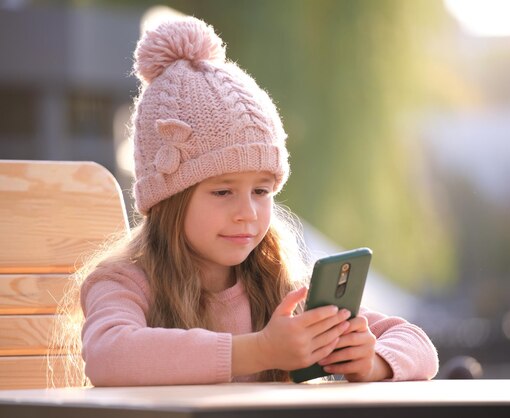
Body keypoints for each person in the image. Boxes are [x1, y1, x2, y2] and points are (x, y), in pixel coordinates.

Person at [70, 16, 438, 386]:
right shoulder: (126, 281)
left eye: (261, 191)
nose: (247, 213)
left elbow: (417, 344)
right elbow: (108, 355)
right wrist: (261, 350)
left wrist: (371, 362)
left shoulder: (281, 287)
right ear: (168, 199)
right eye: (222, 191)